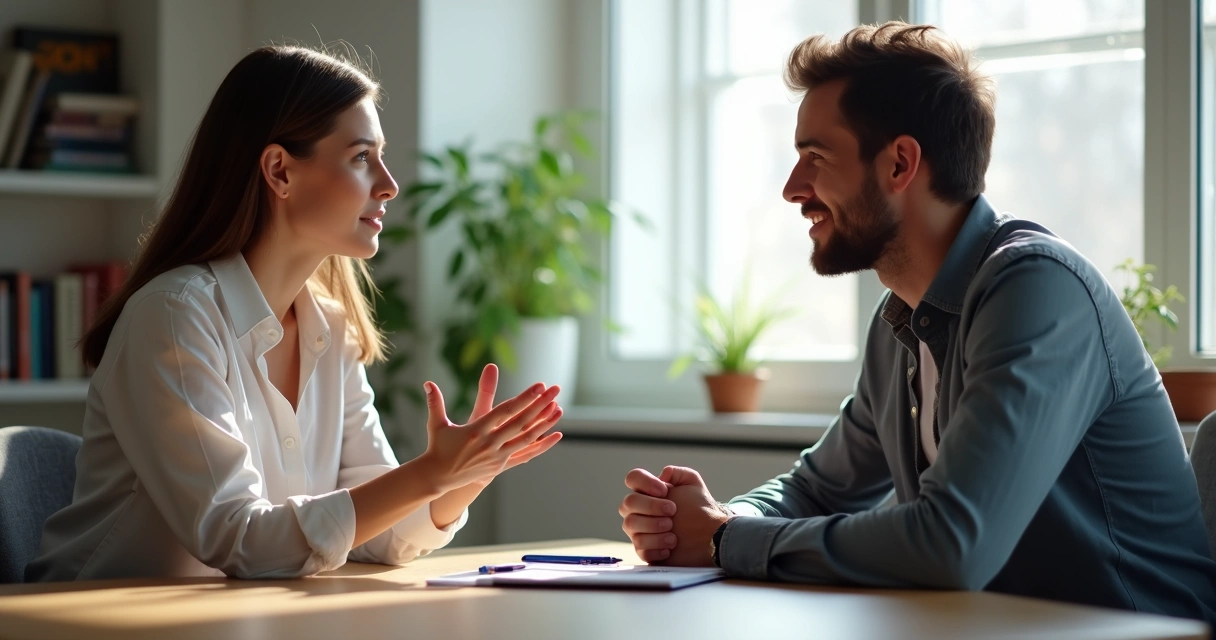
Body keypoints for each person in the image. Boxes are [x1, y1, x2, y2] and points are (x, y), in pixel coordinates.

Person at [618, 22, 1216, 622]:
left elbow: (953, 543)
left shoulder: (1036, 289)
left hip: (1140, 631)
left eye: (815, 158)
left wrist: (723, 540)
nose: (792, 189)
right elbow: (815, 491)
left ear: (900, 163)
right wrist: (706, 521)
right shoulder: (901, 321)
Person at [26, 46, 563, 582]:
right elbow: (238, 537)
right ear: (280, 171)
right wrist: (430, 474)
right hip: (88, 621)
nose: (388, 184)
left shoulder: (331, 329)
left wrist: (464, 472)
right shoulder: (173, 317)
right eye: (360, 157)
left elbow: (377, 533)